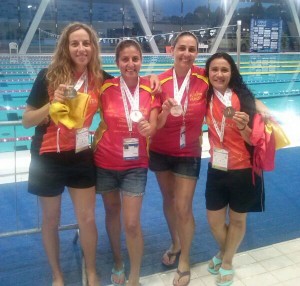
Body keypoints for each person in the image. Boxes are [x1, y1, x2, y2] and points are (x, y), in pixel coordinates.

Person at [22, 22, 114, 286]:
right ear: (66, 47)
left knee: (86, 218)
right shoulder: (48, 76)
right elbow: (27, 120)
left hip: (80, 157)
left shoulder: (101, 79)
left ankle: (93, 271)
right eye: (75, 43)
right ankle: (57, 275)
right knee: (51, 221)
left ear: (93, 48)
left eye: (86, 43)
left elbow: (129, 87)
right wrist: (52, 106)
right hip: (46, 158)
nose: (81, 48)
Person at [93, 39, 160, 286]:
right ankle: (118, 261)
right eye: (125, 59)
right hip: (105, 162)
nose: (130, 64)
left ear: (141, 61)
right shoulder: (105, 87)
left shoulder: (150, 89)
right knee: (112, 213)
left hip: (136, 165)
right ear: (117, 62)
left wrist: (148, 127)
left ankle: (134, 277)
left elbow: (152, 127)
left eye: (135, 59)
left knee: (131, 223)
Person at [149, 31, 209, 286]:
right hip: (161, 150)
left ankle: (185, 257)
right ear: (171, 50)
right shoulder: (158, 81)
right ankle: (175, 241)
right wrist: (151, 76)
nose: (186, 54)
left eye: (192, 49)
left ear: (197, 53)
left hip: (188, 152)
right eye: (182, 48)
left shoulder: (204, 79)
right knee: (168, 200)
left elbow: (234, 85)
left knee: (183, 206)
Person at [204, 52, 264, 286]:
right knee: (214, 221)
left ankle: (226, 260)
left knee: (238, 220)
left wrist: (243, 128)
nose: (219, 74)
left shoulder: (243, 97)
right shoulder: (206, 95)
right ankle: (224, 250)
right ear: (208, 73)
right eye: (214, 70)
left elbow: (254, 141)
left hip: (243, 169)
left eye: (224, 70)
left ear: (232, 73)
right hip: (216, 168)